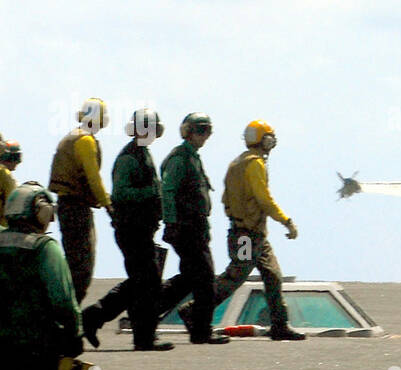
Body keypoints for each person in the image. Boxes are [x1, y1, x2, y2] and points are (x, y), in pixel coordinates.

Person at [189, 119, 305, 341]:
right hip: (248, 234)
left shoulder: (238, 163)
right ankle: (194, 310)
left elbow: (226, 198)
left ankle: (280, 325)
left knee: (273, 276)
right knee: (235, 276)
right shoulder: (255, 164)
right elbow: (264, 199)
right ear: (266, 140)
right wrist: (286, 221)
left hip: (252, 233)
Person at [0, 182, 84, 370]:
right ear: (41, 211)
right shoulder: (45, 248)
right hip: (37, 351)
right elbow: (63, 300)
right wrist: (76, 334)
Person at [80, 109, 174, 351]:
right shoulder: (129, 158)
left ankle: (97, 317)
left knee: (143, 282)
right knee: (149, 281)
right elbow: (121, 193)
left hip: (142, 229)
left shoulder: (143, 154)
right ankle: (141, 337)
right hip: (132, 229)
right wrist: (152, 194)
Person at [158, 112, 229, 344]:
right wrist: (171, 223)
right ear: (188, 131)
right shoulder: (180, 158)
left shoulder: (192, 157)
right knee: (206, 278)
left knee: (190, 278)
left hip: (195, 227)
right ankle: (202, 331)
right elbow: (167, 192)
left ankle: (146, 310)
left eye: (208, 130)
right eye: (200, 130)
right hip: (186, 227)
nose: (205, 136)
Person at [48, 98, 113, 303]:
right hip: (76, 209)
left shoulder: (73, 137)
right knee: (82, 268)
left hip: (67, 206)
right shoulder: (85, 140)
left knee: (74, 262)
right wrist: (108, 204)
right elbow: (93, 178)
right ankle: (68, 314)